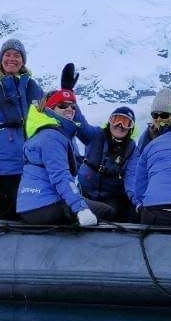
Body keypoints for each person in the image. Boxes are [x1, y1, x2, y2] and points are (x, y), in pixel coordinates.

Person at [16, 89, 112, 225]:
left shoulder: (44, 131)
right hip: (44, 206)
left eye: (72, 106)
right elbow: (60, 176)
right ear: (49, 108)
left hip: (30, 205)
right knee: (106, 211)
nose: (69, 109)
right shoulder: (52, 137)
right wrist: (81, 209)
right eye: (62, 105)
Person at [0, 38, 43, 220]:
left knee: (30, 210)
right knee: (6, 211)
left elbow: (47, 125)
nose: (12, 59)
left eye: (17, 55)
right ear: (1, 59)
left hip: (31, 165)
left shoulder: (34, 89)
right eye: (7, 54)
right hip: (4, 166)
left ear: (23, 60)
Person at [75, 106, 140, 221]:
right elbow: (81, 126)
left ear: (131, 128)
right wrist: (69, 96)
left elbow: (131, 177)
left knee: (113, 213)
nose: (120, 125)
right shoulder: (96, 135)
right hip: (85, 192)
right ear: (109, 122)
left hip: (111, 197)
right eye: (116, 120)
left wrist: (137, 202)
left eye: (125, 122)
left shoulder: (131, 149)